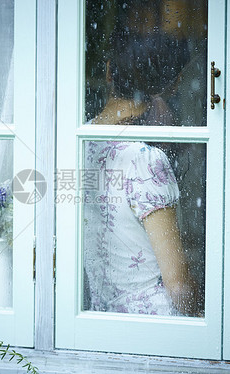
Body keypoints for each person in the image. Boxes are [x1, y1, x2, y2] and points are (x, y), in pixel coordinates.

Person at [83, 0, 201, 316]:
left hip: (100, 320)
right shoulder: (145, 159)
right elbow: (178, 287)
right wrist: (205, 317)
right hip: (155, 330)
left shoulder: (78, 142)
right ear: (171, 84)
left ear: (108, 71)